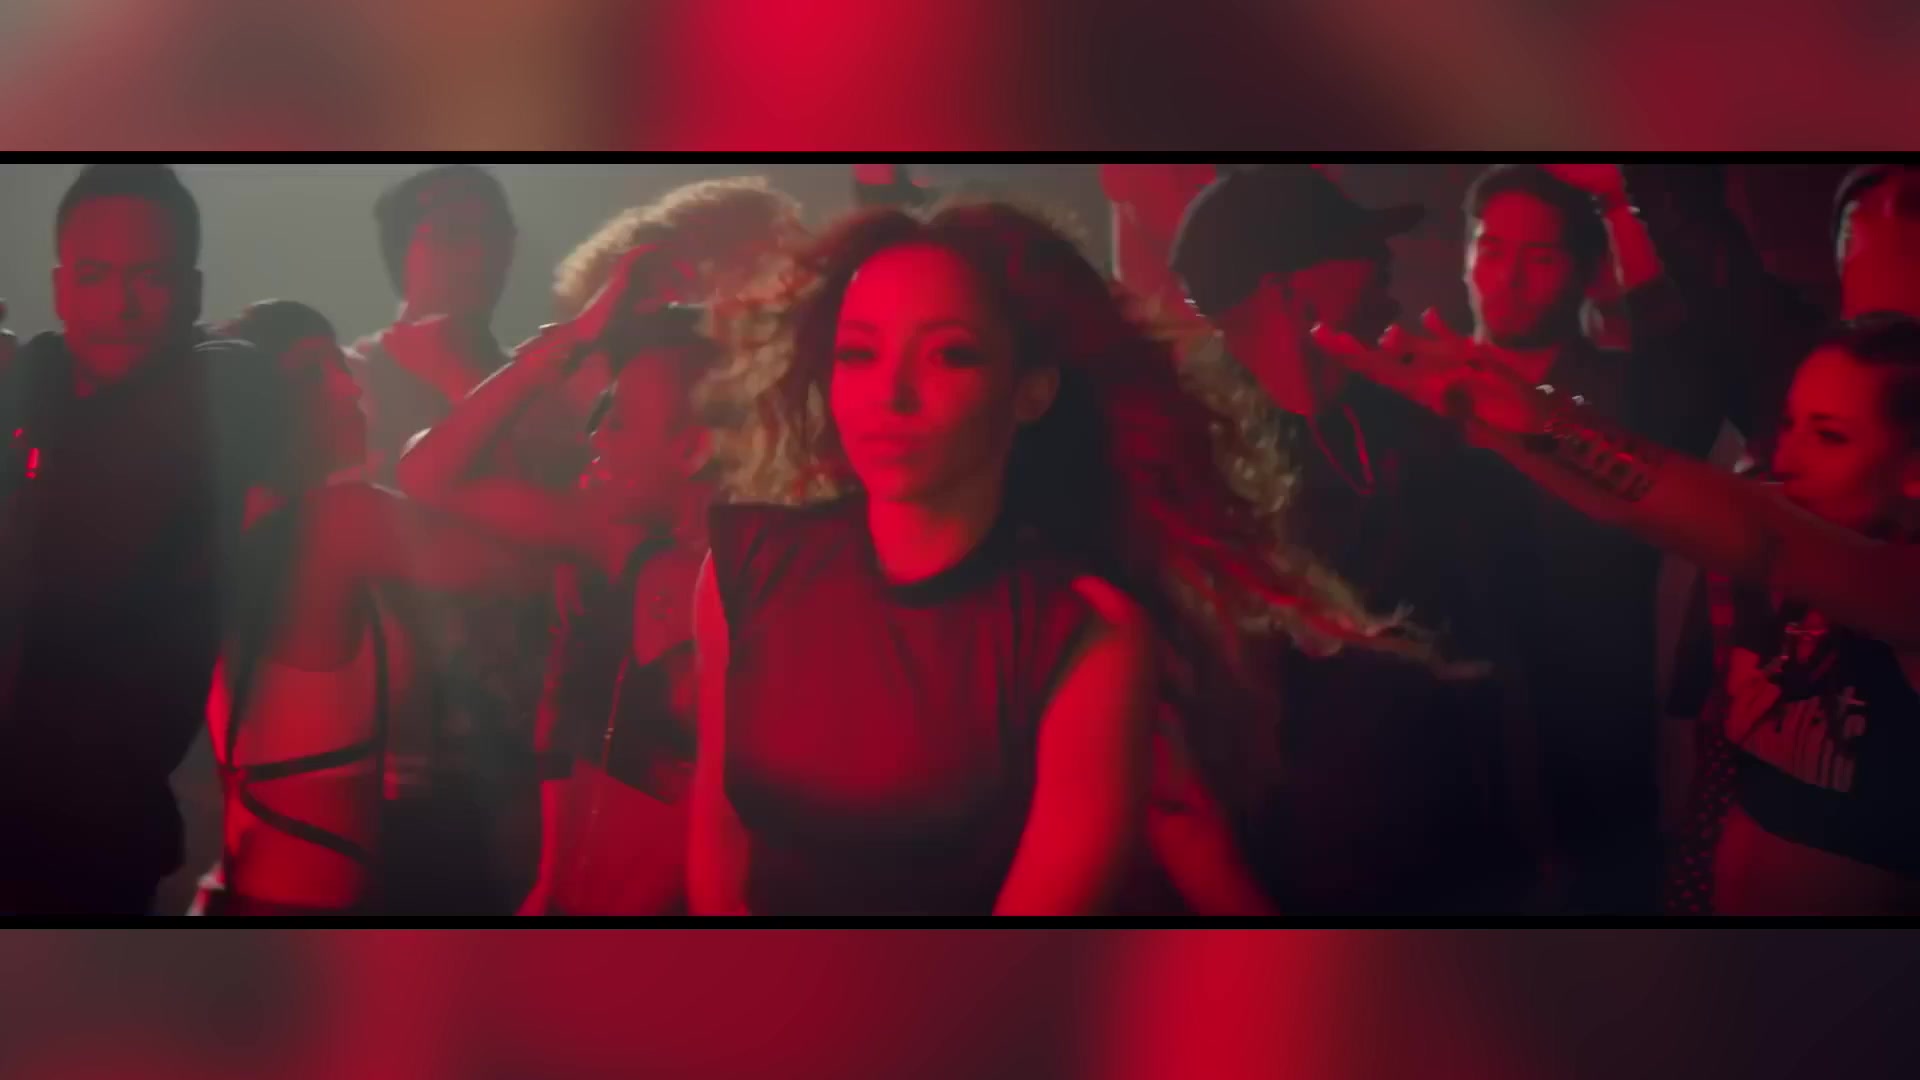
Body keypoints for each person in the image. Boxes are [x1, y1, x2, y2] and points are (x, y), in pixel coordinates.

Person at [687, 199, 1435, 916]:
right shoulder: (746, 568)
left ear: (1032, 392)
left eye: (950, 354)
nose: (892, 394)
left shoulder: (1084, 634)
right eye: (859, 353)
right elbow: (717, 861)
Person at [1316, 310, 1920, 915]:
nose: (1788, 457)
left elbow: (1760, 533)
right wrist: (1490, 425)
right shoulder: (1786, 596)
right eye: (1789, 424)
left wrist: (1544, 416)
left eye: (1830, 437)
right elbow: (1632, 505)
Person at [400, 180, 803, 916]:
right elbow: (427, 474)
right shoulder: (610, 540)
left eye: (619, 418)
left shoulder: (773, 576)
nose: (596, 434)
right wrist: (580, 335)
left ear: (694, 446)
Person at [1166, 164, 1541, 913]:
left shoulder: (1414, 415)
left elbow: (1503, 633)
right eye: (1361, 250)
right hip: (1300, 856)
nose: (1386, 267)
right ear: (1286, 289)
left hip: (1457, 839)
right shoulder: (1199, 455)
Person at [191, 300, 547, 915]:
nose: (347, 386)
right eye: (312, 374)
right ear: (260, 411)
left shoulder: (254, 530)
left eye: (339, 364)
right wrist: (486, 371)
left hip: (264, 895)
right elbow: (522, 565)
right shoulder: (338, 525)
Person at [0, 164, 273, 914]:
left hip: (86, 840)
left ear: (193, 290)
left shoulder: (223, 385)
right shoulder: (37, 379)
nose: (119, 305)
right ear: (60, 287)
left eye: (148, 277)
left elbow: (100, 535)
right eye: (94, 276)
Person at [347, 164, 518, 483]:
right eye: (452, 232)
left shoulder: (545, 383)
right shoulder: (348, 386)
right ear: (401, 250)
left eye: (495, 233)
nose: (479, 253)